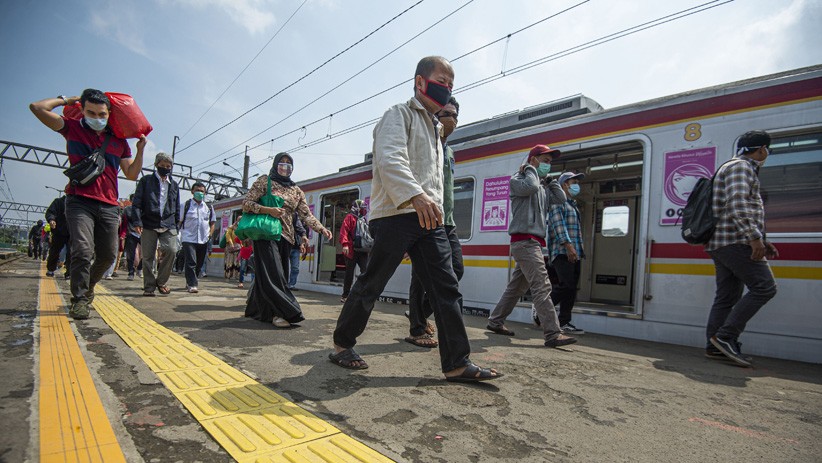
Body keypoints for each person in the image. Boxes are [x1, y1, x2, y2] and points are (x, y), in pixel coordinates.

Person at [330, 56, 502, 383]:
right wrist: (415, 195)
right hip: (397, 213)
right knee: (373, 282)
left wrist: (431, 204)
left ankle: (456, 362)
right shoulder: (399, 115)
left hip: (428, 219)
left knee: (446, 287)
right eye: (442, 80)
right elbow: (390, 158)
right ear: (421, 82)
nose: (447, 88)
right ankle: (342, 344)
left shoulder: (436, 130)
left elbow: (433, 181)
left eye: (451, 84)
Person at [30, 89, 145, 320]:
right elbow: (37, 108)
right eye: (90, 112)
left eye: (101, 114)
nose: (96, 117)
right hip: (79, 201)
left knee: (108, 255)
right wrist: (67, 100)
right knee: (82, 250)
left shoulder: (119, 141)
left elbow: (131, 174)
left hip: (110, 205)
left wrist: (141, 151)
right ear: (82, 109)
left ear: (109, 113)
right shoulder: (71, 128)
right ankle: (79, 300)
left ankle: (88, 286)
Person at [487, 145, 577, 348]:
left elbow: (561, 199)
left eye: (550, 163)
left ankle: (495, 321)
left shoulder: (542, 187)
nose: (548, 165)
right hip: (524, 241)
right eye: (545, 161)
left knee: (516, 287)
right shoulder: (518, 180)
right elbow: (531, 187)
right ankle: (553, 333)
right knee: (542, 285)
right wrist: (530, 170)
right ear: (533, 160)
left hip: (532, 242)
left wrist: (552, 181)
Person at [705, 130, 778, 367]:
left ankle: (714, 347)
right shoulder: (741, 168)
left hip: (723, 242)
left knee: (726, 297)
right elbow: (737, 204)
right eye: (766, 149)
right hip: (735, 241)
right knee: (765, 287)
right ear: (761, 149)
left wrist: (762, 240)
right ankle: (725, 337)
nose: (766, 153)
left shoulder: (734, 167)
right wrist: (754, 238)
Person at [242, 152, 331, 327]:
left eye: (288, 164)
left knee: (278, 273)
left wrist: (321, 229)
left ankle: (255, 309)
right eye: (281, 163)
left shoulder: (296, 191)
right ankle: (281, 313)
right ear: (275, 165)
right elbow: (246, 204)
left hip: (287, 237)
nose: (285, 166)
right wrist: (269, 210)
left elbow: (306, 215)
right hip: (266, 235)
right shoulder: (264, 181)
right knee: (274, 274)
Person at [405, 97, 462, 349]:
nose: (451, 119)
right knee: (420, 276)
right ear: (436, 115)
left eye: (455, 115)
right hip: (426, 218)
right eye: (446, 113)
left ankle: (419, 314)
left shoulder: (449, 151)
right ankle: (417, 328)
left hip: (447, 220)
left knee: (456, 269)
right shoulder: (426, 143)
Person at [132, 152, 181, 296]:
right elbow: (136, 203)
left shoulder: (174, 185)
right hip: (149, 222)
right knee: (148, 257)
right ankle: (149, 287)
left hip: (169, 223)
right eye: (163, 165)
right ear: (156, 165)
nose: (165, 168)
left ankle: (161, 282)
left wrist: (176, 225)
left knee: (172, 250)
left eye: (168, 166)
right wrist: (137, 221)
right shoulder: (145, 181)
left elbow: (177, 206)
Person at [546, 172, 587, 335]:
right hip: (562, 251)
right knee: (566, 285)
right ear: (564, 184)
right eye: (573, 182)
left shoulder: (573, 205)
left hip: (574, 252)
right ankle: (541, 308)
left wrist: (577, 251)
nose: (577, 185)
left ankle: (564, 322)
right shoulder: (558, 201)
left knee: (571, 288)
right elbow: (558, 224)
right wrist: (568, 246)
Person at [179, 182, 215, 294]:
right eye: (197, 190)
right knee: (191, 261)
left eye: (202, 191)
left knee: (199, 263)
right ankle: (192, 284)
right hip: (188, 237)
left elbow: (212, 223)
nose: (200, 193)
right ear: (192, 192)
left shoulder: (209, 207)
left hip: (203, 239)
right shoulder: (185, 205)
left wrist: (210, 234)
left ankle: (190, 279)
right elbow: (179, 221)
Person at [338, 199, 369, 302]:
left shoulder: (364, 219)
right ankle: (345, 295)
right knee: (349, 273)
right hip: (351, 250)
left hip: (363, 250)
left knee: (366, 271)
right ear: (358, 208)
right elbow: (344, 231)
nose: (364, 210)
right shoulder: (349, 218)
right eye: (363, 208)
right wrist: (345, 245)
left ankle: (362, 293)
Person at [45, 196, 71, 279]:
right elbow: (50, 212)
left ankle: (69, 272)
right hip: (58, 231)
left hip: (73, 233)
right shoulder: (58, 202)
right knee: (54, 251)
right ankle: (51, 269)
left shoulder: (80, 202)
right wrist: (51, 219)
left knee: (72, 252)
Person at [122, 196, 143, 281]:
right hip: (131, 233)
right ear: (131, 201)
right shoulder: (127, 210)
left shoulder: (144, 209)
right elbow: (124, 221)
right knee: (130, 254)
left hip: (143, 234)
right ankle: (131, 272)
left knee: (148, 252)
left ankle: (139, 268)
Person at [287, 212, 309, 290]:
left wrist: (304, 251)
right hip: (287, 246)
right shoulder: (289, 220)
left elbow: (305, 240)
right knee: (284, 266)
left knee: (295, 268)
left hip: (296, 248)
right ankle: (283, 284)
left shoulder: (305, 227)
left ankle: (291, 284)